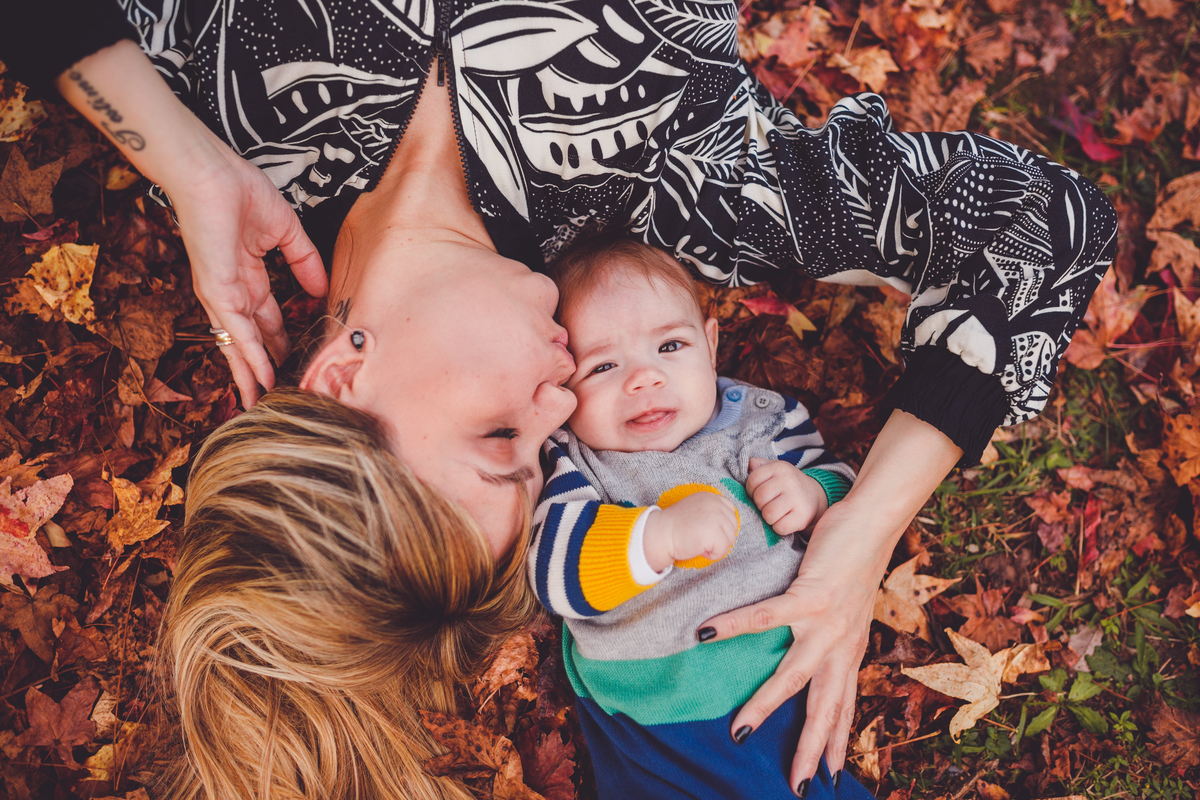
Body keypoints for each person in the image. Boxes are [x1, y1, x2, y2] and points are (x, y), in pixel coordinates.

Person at [0, 1, 1119, 798]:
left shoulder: (232, 107)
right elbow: (1046, 226)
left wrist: (187, 159)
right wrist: (856, 540)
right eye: (545, 457)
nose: (558, 401)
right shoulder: (677, 193)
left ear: (342, 375)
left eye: (498, 435)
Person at [530, 237, 867, 799]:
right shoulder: (579, 463)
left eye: (670, 346)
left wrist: (812, 492)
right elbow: (554, 570)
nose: (644, 378)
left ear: (710, 345)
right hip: (656, 720)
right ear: (563, 386)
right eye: (605, 365)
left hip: (785, 674)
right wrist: (653, 535)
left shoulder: (759, 421)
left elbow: (849, 493)